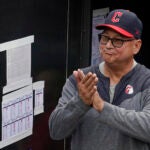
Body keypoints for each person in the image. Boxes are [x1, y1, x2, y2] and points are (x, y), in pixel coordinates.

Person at [49, 9, 150, 150]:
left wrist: (101, 106)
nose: (108, 45)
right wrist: (80, 102)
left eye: (117, 41)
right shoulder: (81, 80)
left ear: (136, 46)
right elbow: (56, 131)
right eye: (105, 38)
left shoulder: (146, 81)